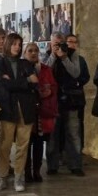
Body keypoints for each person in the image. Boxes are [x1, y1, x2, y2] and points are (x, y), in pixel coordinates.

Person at [0, 32, 38, 192]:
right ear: (8, 45)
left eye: (19, 44)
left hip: (25, 109)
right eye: (14, 44)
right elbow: (4, 85)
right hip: (7, 109)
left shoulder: (26, 63)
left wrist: (14, 82)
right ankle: (2, 177)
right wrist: (24, 81)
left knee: (22, 145)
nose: (17, 47)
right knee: (4, 145)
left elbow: (35, 82)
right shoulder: (0, 64)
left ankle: (19, 177)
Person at [47, 32, 90, 176]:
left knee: (73, 134)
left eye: (61, 44)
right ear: (51, 44)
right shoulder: (48, 55)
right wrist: (53, 55)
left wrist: (64, 58)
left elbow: (76, 73)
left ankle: (75, 165)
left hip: (71, 101)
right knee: (53, 135)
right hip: (53, 101)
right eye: (55, 44)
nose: (59, 47)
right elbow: (44, 71)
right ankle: (52, 165)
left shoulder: (73, 55)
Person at [24, 41, 57, 182]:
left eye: (35, 51)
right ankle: (26, 172)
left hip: (41, 111)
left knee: (38, 143)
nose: (33, 53)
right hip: (26, 111)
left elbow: (54, 86)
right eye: (30, 50)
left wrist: (48, 91)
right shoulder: (21, 68)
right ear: (24, 53)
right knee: (26, 143)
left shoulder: (45, 69)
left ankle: (36, 171)